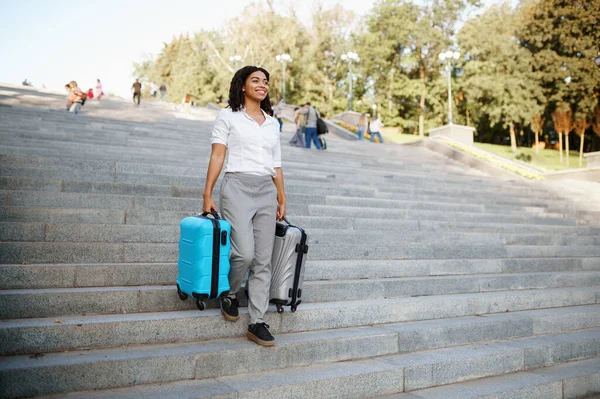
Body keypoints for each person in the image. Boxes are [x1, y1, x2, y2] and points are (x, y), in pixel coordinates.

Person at [202, 65, 286, 347]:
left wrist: (281, 197)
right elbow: (217, 156)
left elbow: (277, 164)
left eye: (265, 81)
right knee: (244, 254)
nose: (262, 85)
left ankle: (257, 321)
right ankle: (229, 291)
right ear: (242, 86)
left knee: (264, 259)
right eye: (256, 80)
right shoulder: (228, 116)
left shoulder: (272, 122)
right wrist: (207, 194)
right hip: (236, 186)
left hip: (266, 190)